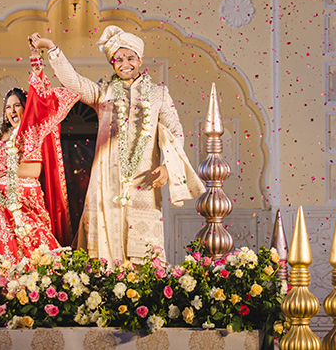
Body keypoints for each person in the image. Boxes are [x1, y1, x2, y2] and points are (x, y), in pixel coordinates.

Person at [29, 26, 204, 264]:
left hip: (144, 181)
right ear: (112, 63)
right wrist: (52, 49)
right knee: (102, 254)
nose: (125, 64)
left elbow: (175, 132)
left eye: (130, 58)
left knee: (145, 256)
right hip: (106, 183)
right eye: (118, 59)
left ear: (140, 59)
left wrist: (167, 167)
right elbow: (74, 82)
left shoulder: (158, 94)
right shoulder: (104, 92)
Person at [0, 39, 80, 261]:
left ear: (26, 108)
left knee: (33, 252)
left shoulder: (31, 131)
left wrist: (35, 58)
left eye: (17, 105)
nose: (11, 110)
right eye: (7, 107)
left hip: (25, 199)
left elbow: (39, 94)